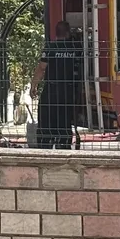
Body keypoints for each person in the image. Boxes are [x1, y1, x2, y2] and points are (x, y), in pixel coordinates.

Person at [31, 21, 82, 150]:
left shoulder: (50, 48)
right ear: (68, 32)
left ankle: (45, 142)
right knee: (64, 118)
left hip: (51, 89)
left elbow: (42, 68)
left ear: (56, 33)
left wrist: (34, 85)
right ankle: (63, 142)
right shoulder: (75, 48)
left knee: (46, 116)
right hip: (68, 89)